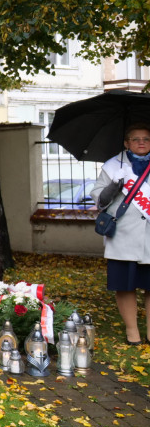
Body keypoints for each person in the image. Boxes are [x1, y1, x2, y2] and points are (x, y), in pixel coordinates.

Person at [91, 123, 150, 345]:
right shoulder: (113, 166)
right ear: (127, 143)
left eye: (146, 138)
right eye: (136, 139)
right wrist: (113, 187)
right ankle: (132, 331)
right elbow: (98, 198)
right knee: (125, 285)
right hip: (123, 235)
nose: (141, 142)